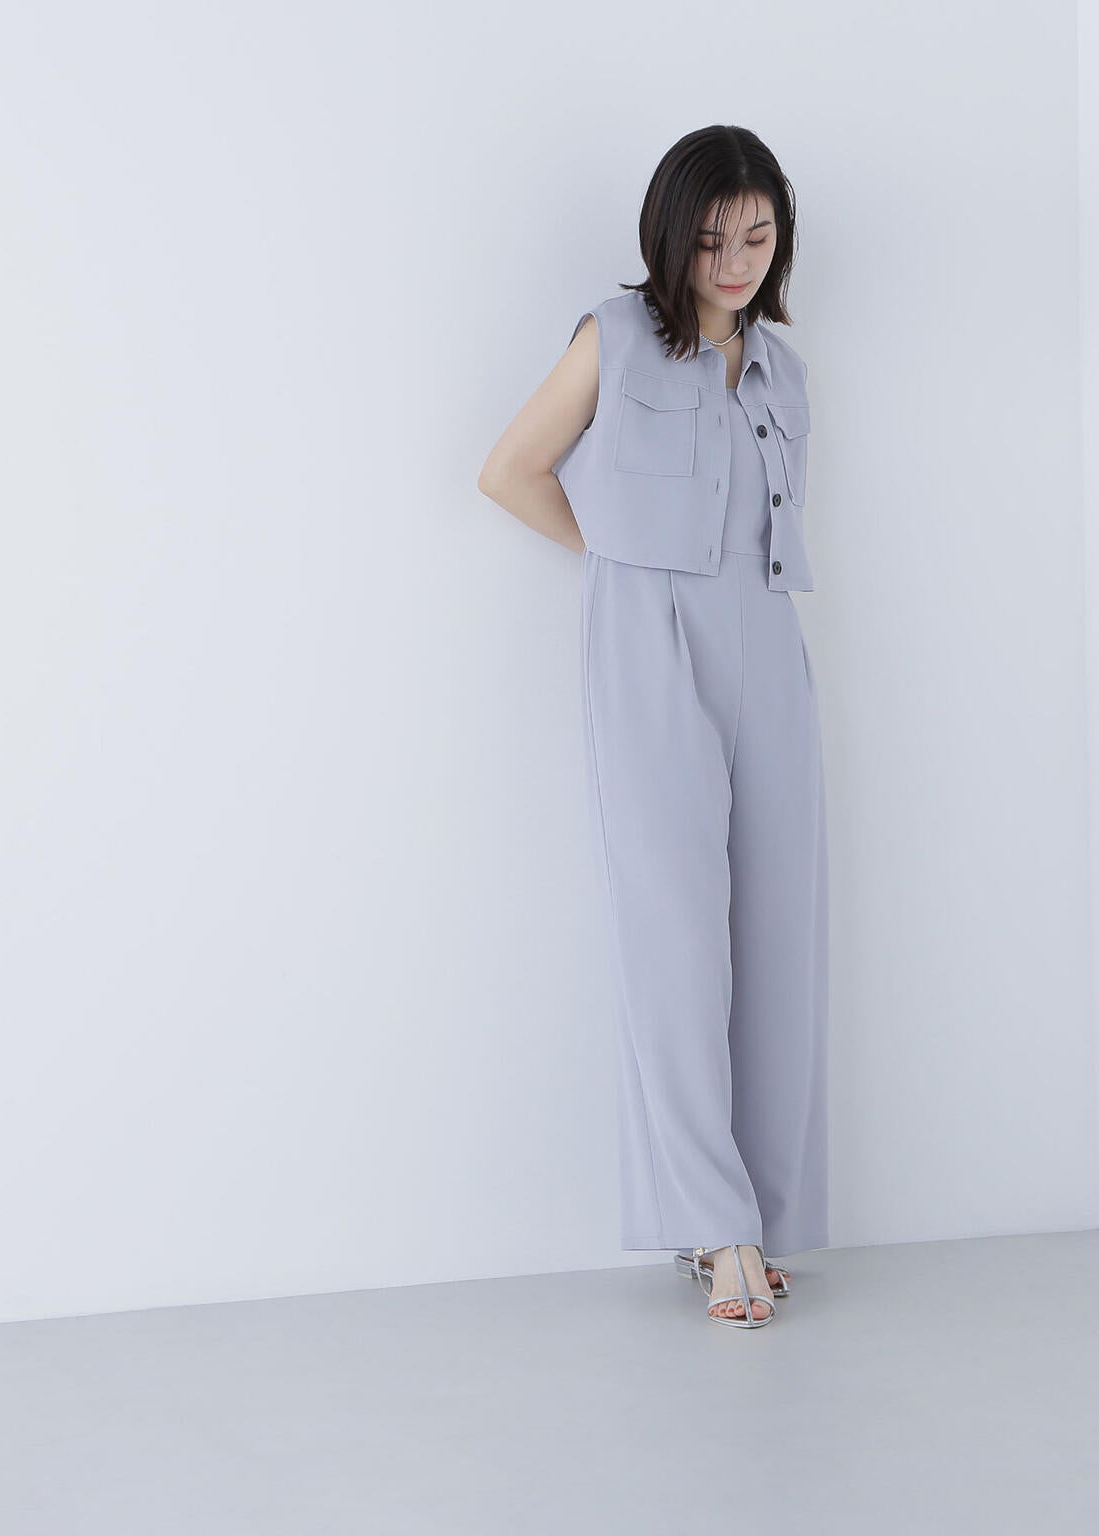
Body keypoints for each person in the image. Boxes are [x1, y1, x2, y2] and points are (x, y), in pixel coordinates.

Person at [477, 125, 829, 1330]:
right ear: (669, 234)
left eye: (757, 237)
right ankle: (713, 1228)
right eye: (711, 237)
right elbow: (509, 471)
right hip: (647, 645)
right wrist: (621, 562)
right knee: (674, 939)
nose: (733, 261)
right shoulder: (614, 335)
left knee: (779, 936)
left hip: (766, 643)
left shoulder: (780, 369)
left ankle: (762, 1215)